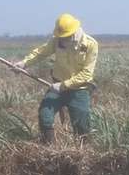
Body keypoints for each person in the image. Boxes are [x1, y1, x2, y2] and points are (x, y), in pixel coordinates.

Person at [14, 13, 98, 144]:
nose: (62, 40)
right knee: (45, 115)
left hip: (79, 90)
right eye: (61, 37)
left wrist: (63, 85)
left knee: (81, 125)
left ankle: (84, 152)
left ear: (74, 33)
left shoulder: (90, 45)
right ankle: (49, 149)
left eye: (65, 37)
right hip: (57, 87)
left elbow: (86, 74)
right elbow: (41, 52)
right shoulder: (57, 40)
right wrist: (24, 63)